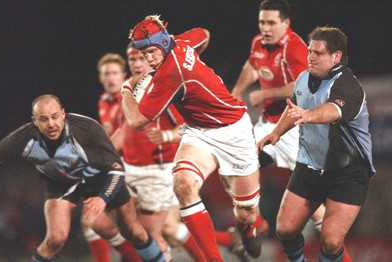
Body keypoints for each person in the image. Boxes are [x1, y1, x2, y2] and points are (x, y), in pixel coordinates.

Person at [123, 15, 263, 261]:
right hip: (199, 132)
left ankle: (247, 228)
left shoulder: (170, 73)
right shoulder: (179, 44)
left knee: (246, 212)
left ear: (164, 44)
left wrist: (127, 90)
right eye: (144, 54)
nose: (148, 58)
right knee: (184, 184)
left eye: (152, 51)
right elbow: (204, 32)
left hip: (234, 132)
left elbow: (135, 121)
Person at [0, 94, 165, 262]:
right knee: (55, 239)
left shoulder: (87, 129)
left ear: (63, 114)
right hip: (60, 184)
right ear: (34, 121)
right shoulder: (23, 138)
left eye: (54, 117)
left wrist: (102, 198)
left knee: (133, 232)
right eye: (43, 119)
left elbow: (117, 169)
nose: (51, 124)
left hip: (100, 180)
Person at [258, 26, 375, 261]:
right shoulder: (303, 78)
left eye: (318, 53)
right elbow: (294, 105)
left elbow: (333, 110)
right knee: (285, 229)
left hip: (349, 172)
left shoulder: (348, 86)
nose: (311, 57)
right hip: (310, 166)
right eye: (310, 51)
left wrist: (309, 115)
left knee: (331, 242)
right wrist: (276, 133)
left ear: (336, 56)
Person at [231, 0, 330, 245]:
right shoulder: (258, 42)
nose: (265, 27)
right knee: (241, 164)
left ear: (286, 23)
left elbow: (302, 86)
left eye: (271, 22)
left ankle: (336, 248)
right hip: (269, 126)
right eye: (262, 22)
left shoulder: (295, 47)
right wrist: (237, 91)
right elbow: (252, 66)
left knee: (313, 204)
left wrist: (265, 94)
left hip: (298, 129)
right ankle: (254, 224)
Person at [83, 53, 142, 262]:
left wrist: (95, 159)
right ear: (100, 77)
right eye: (106, 74)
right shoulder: (103, 101)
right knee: (91, 217)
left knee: (158, 230)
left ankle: (225, 242)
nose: (110, 78)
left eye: (115, 73)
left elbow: (125, 133)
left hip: (139, 168)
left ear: (123, 75)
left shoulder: (130, 98)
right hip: (116, 166)